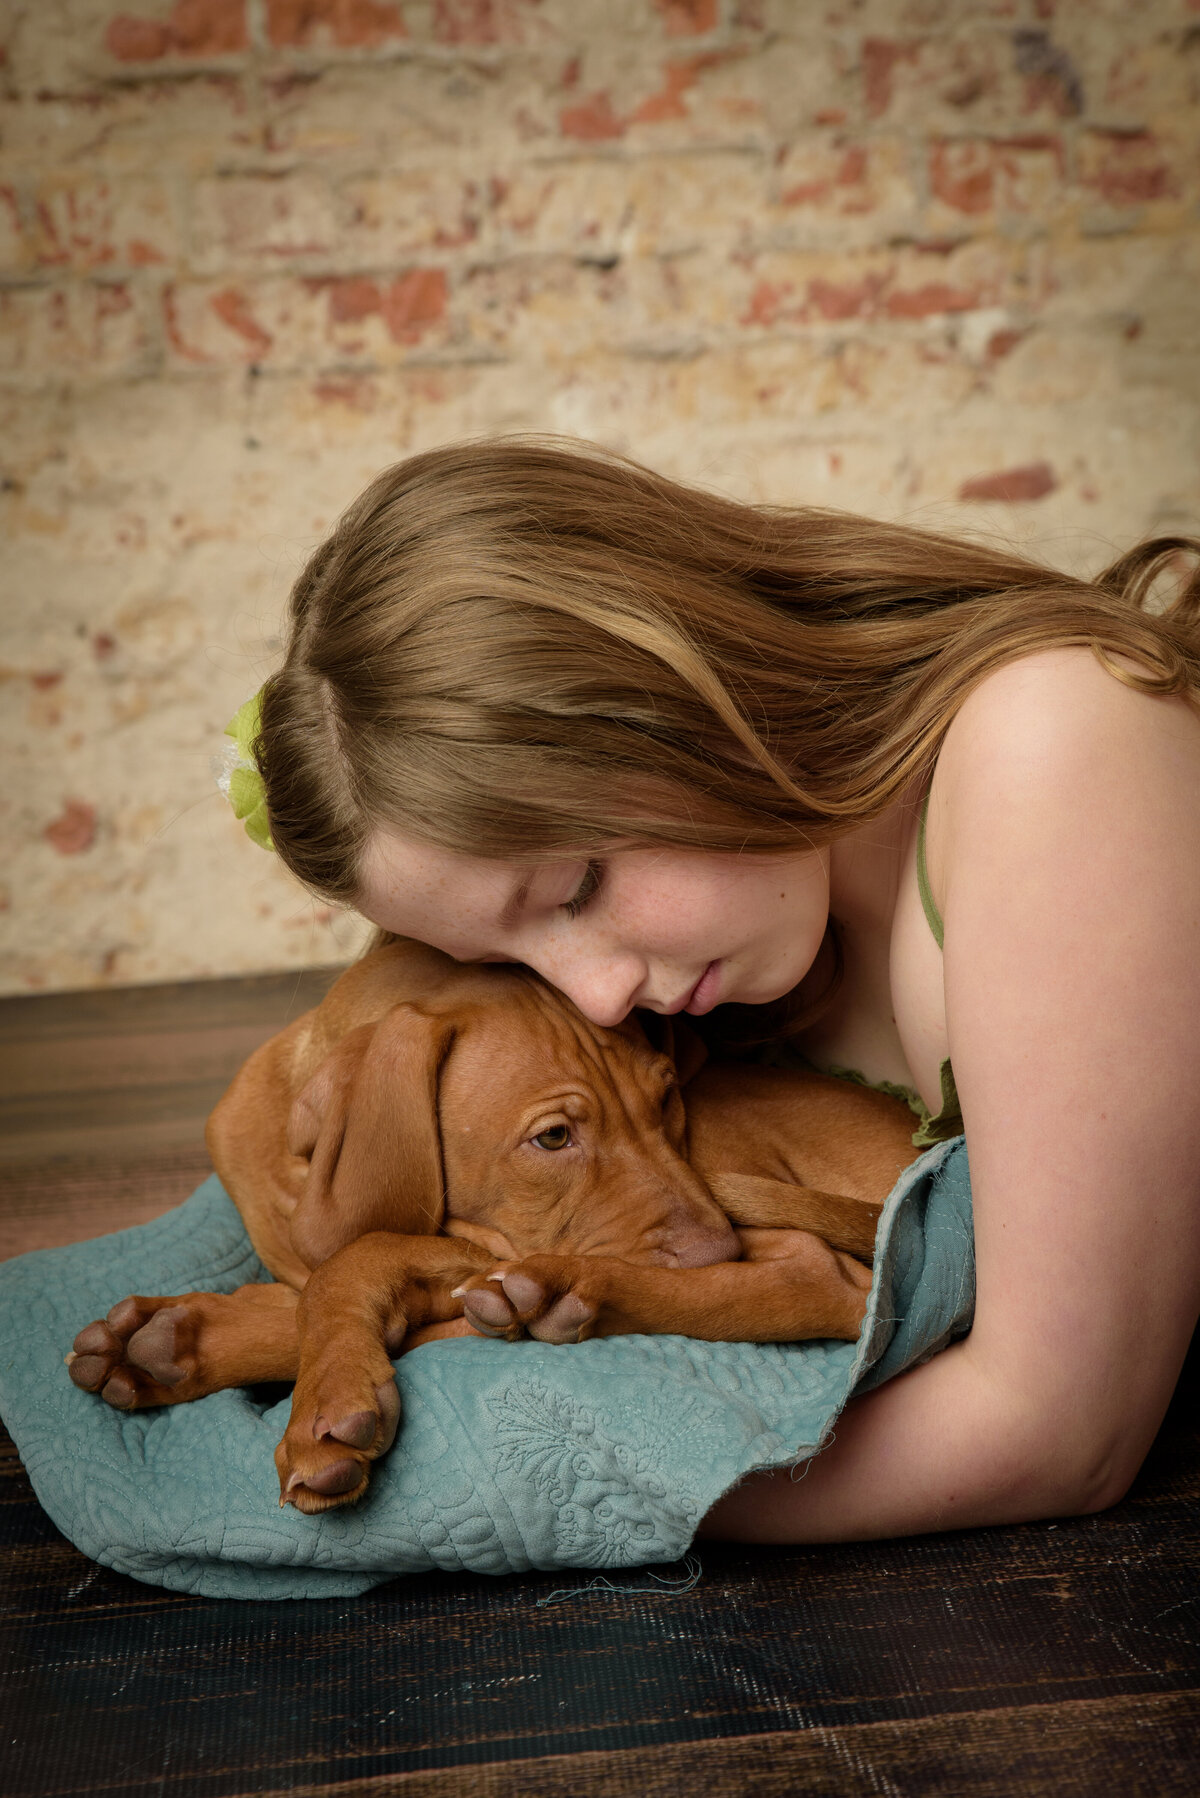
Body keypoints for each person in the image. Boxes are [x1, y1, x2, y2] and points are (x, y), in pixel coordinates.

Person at [250, 436, 1200, 1543]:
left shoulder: (1056, 746)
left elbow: (1061, 1430)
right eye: (519, 961)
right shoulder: (746, 977)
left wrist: (550, 1498)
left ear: (670, 682)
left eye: (579, 884)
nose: (598, 999)